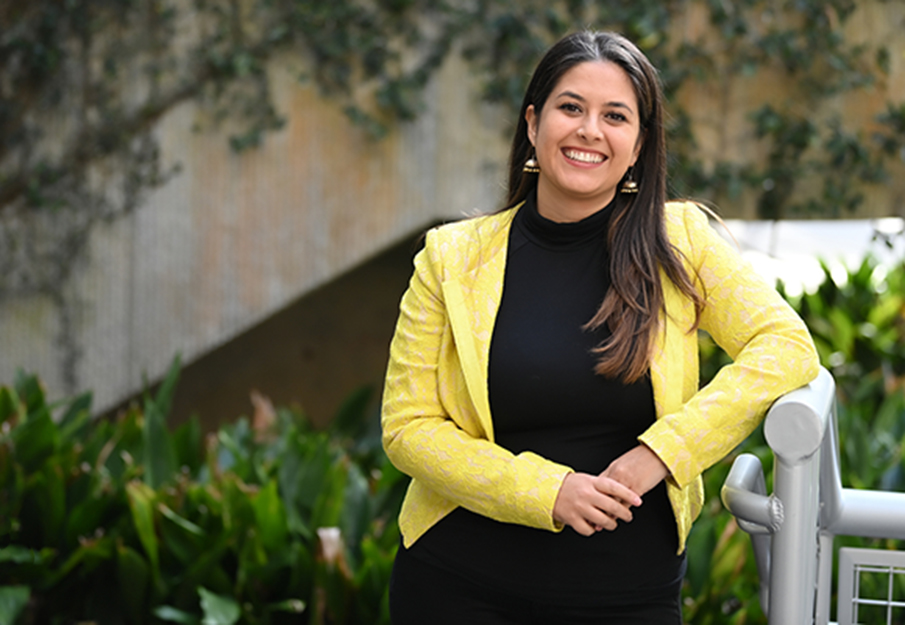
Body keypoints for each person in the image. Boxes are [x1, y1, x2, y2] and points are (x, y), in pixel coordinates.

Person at [380, 30, 819, 624]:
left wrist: (660, 453)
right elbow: (408, 427)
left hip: (627, 593)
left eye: (615, 115)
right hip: (459, 585)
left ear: (638, 144)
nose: (590, 130)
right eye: (570, 108)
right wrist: (547, 492)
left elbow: (785, 346)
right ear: (534, 123)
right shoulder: (451, 257)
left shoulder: (680, 243)